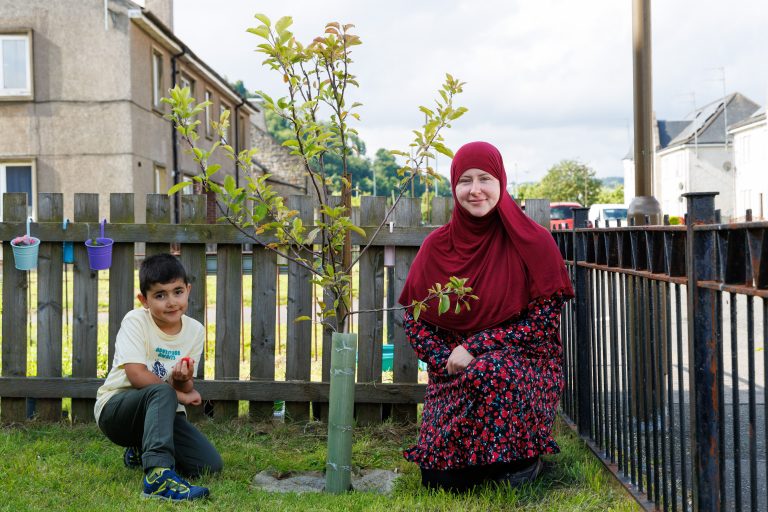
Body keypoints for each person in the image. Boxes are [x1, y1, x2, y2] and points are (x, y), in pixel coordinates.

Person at [399, 141, 574, 492]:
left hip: (523, 365)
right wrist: (446, 360)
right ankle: (484, 464)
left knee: (491, 371)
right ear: (454, 186)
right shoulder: (436, 246)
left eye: (485, 179)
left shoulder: (534, 242)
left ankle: (522, 461)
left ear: (501, 182)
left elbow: (541, 324)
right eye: (465, 180)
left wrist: (474, 348)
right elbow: (415, 320)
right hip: (454, 372)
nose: (475, 190)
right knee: (439, 481)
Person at [94, 253, 222, 501]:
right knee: (162, 392)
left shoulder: (195, 331)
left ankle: (142, 448)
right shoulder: (135, 321)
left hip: (162, 413)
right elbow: (136, 375)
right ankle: (157, 477)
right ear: (144, 300)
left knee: (208, 465)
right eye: (160, 295)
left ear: (188, 290)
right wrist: (181, 396)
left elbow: (184, 385)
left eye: (178, 292)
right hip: (116, 410)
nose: (171, 302)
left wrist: (181, 379)